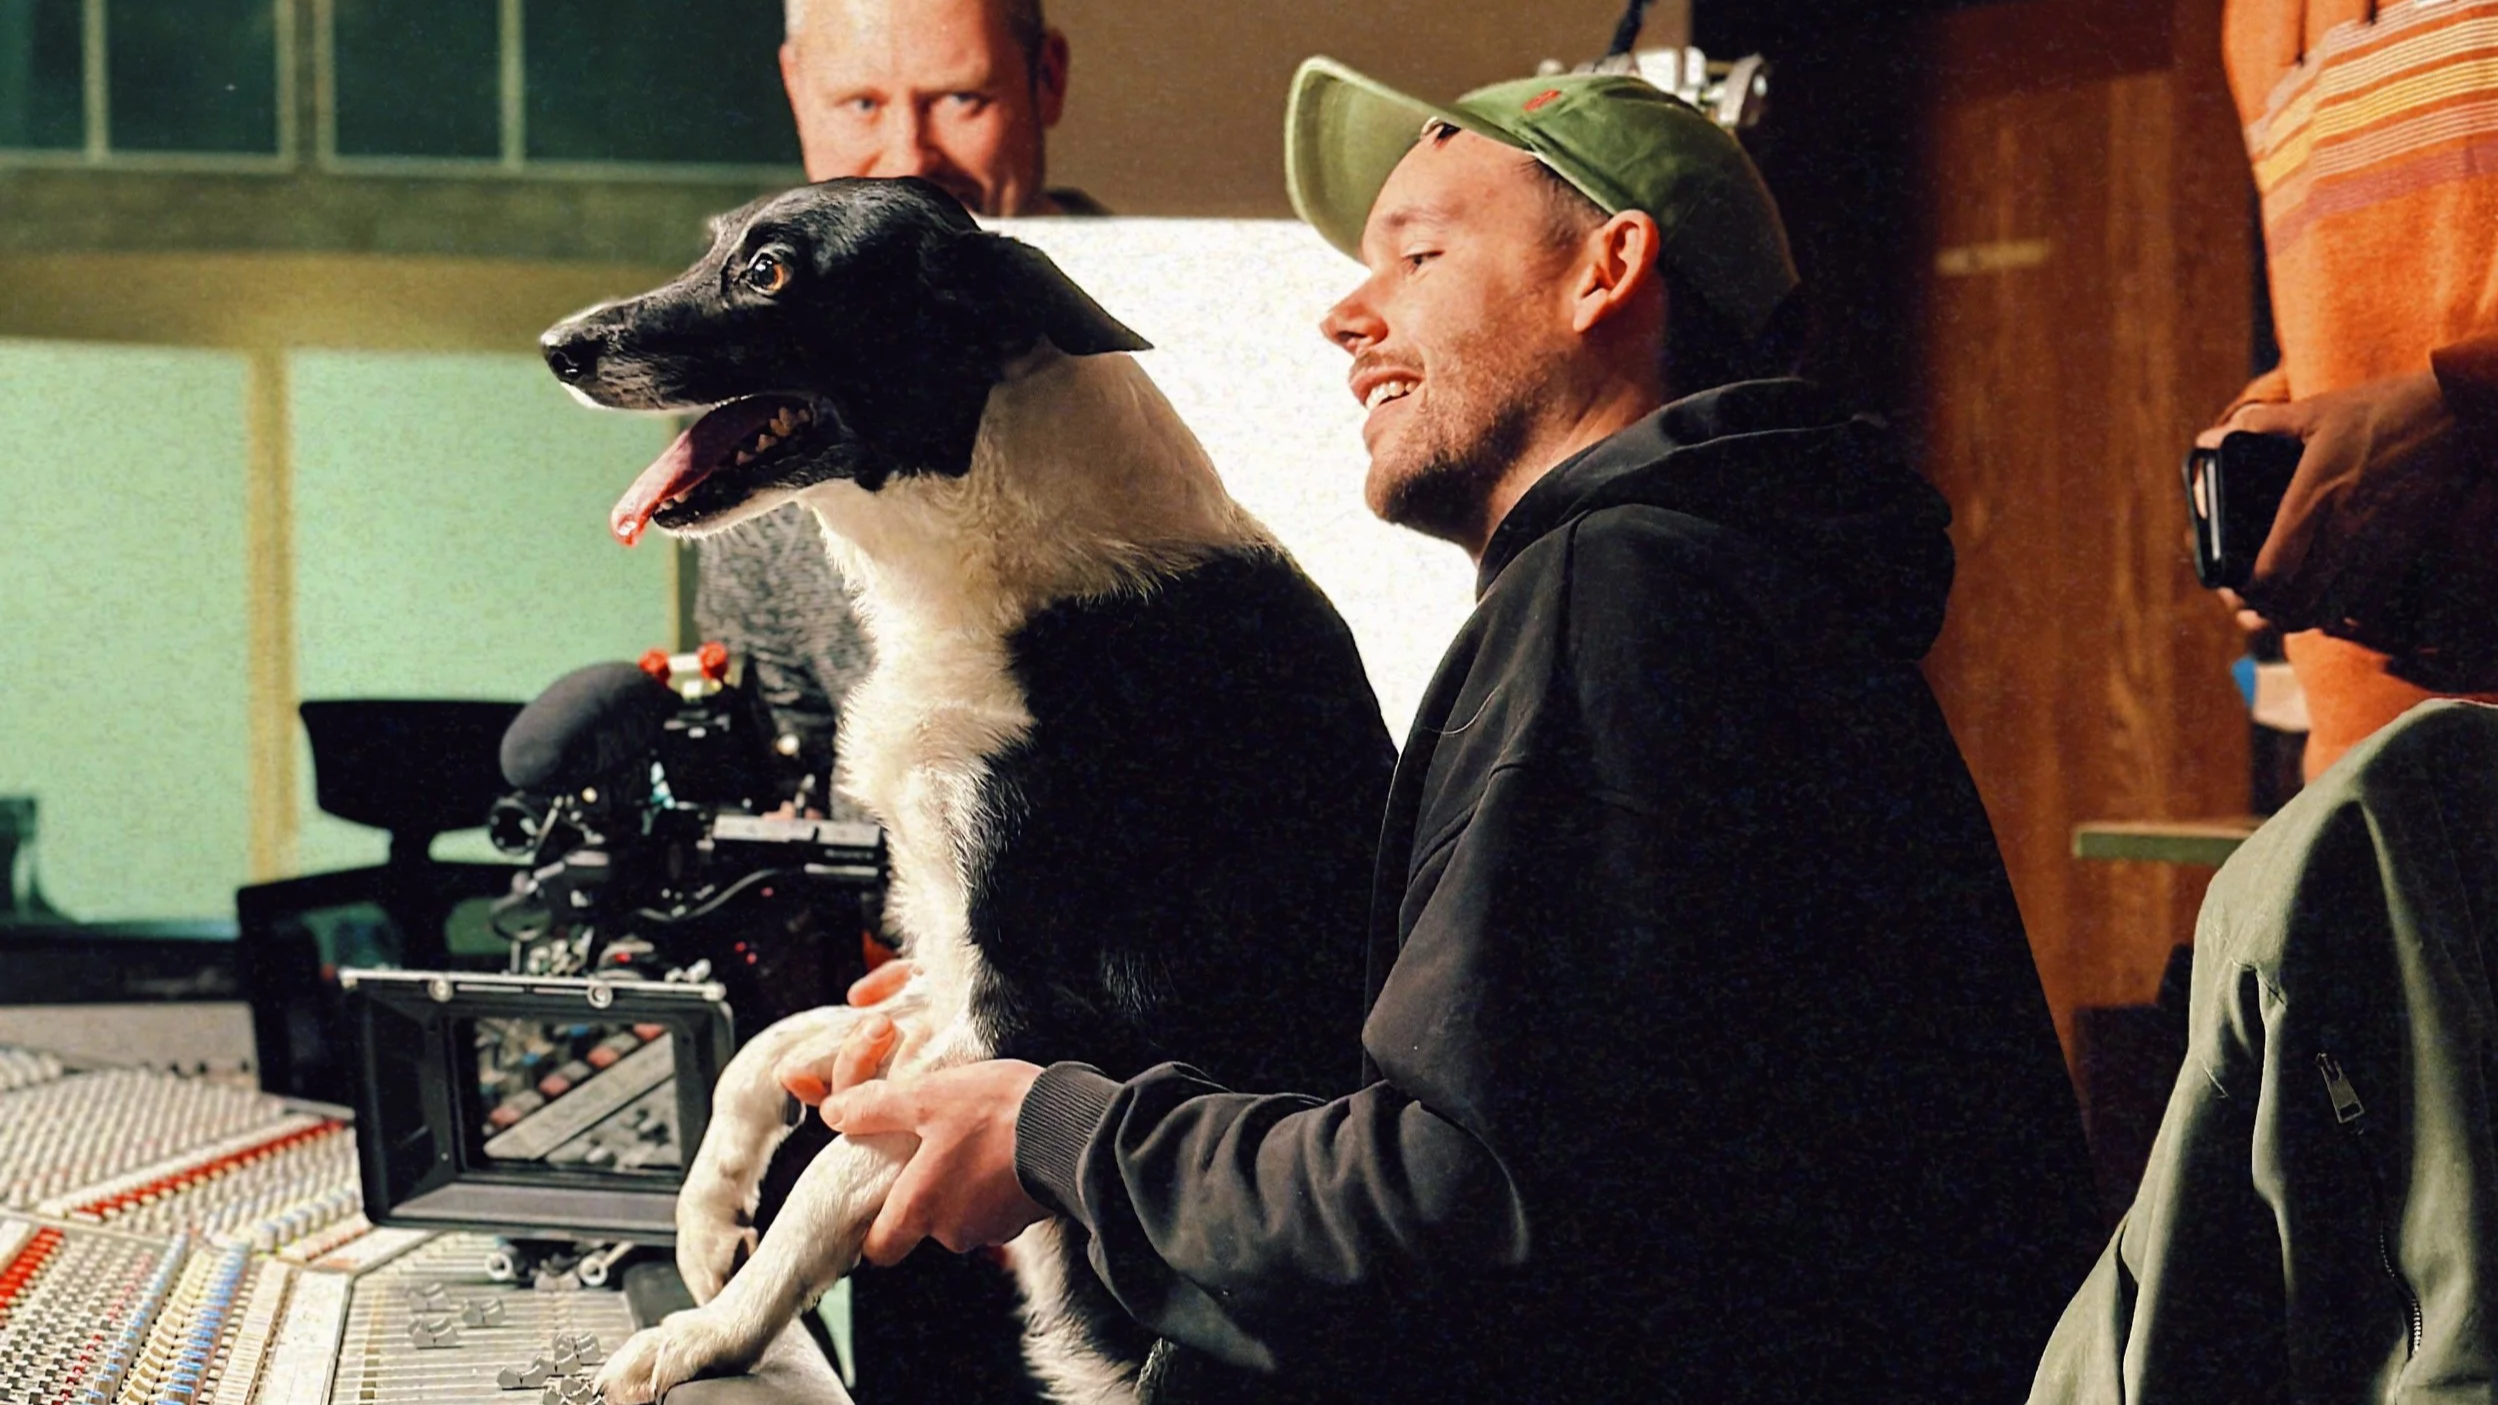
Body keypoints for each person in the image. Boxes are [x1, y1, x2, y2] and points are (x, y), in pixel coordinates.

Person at [799, 60, 2104, 1404]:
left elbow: (1457, 1203)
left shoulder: (1622, 595)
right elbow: (1568, 1140)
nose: (1343, 315)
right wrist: (1046, 997)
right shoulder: (1733, 584)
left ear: (1605, 272)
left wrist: (1053, 1128)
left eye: (1416, 253)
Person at [700, 0, 1099, 824]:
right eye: (862, 105)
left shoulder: (1214, 330)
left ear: (1048, 79)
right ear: (796, 89)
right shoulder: (753, 401)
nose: (910, 159)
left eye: (962, 100)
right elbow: (787, 771)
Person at [2204, 0, 2498, 778]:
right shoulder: (2253, 21)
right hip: (2364, 777)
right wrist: (2269, 429)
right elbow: (2345, 328)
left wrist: (2463, 406)